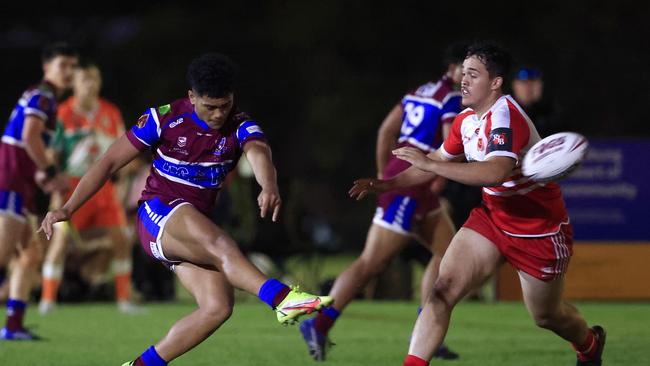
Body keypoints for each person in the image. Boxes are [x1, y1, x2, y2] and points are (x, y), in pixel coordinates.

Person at [39, 53, 332, 366]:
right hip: (158, 213)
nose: (219, 114)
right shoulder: (163, 118)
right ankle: (283, 300)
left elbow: (259, 152)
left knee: (217, 307)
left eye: (225, 104)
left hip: (190, 227)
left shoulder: (240, 124)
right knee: (220, 244)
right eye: (210, 106)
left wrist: (269, 185)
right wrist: (68, 207)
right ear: (192, 97)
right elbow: (109, 161)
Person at [350, 42, 606, 366]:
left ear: (495, 82)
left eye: (473, 75)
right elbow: (436, 158)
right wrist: (387, 184)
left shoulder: (506, 114)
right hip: (492, 219)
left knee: (547, 316)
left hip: (537, 228)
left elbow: (496, 172)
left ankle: (589, 343)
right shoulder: (466, 119)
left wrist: (432, 166)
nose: (464, 81)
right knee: (442, 292)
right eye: (464, 74)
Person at [299, 43, 468, 361]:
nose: (469, 77)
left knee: (448, 254)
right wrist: (439, 172)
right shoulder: (452, 99)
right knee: (371, 263)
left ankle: (426, 327)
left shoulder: (420, 91)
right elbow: (451, 144)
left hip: (410, 177)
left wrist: (383, 171)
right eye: (467, 70)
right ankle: (318, 325)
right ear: (453, 69)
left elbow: (386, 131)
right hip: (414, 179)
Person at [39, 62, 139, 314]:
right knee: (60, 241)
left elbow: (124, 151)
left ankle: (124, 300)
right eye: (84, 79)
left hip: (103, 186)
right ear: (74, 83)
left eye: (94, 78)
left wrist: (122, 181)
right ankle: (47, 299)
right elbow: (51, 154)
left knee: (121, 240)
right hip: (72, 185)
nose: (90, 84)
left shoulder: (111, 112)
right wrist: (54, 188)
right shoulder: (62, 113)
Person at [0, 42, 78, 340]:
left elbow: (27, 148)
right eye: (63, 65)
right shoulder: (44, 96)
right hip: (8, 183)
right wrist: (51, 172)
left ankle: (13, 326)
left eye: (72, 66)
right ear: (47, 67)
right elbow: (29, 137)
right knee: (3, 256)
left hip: (21, 186)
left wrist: (45, 180)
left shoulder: (44, 99)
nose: (69, 72)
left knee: (29, 256)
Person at [511, 67, 563, 137]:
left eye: (533, 83)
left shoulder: (552, 114)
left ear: (541, 85)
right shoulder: (505, 111)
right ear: (514, 85)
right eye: (524, 83)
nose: (528, 88)